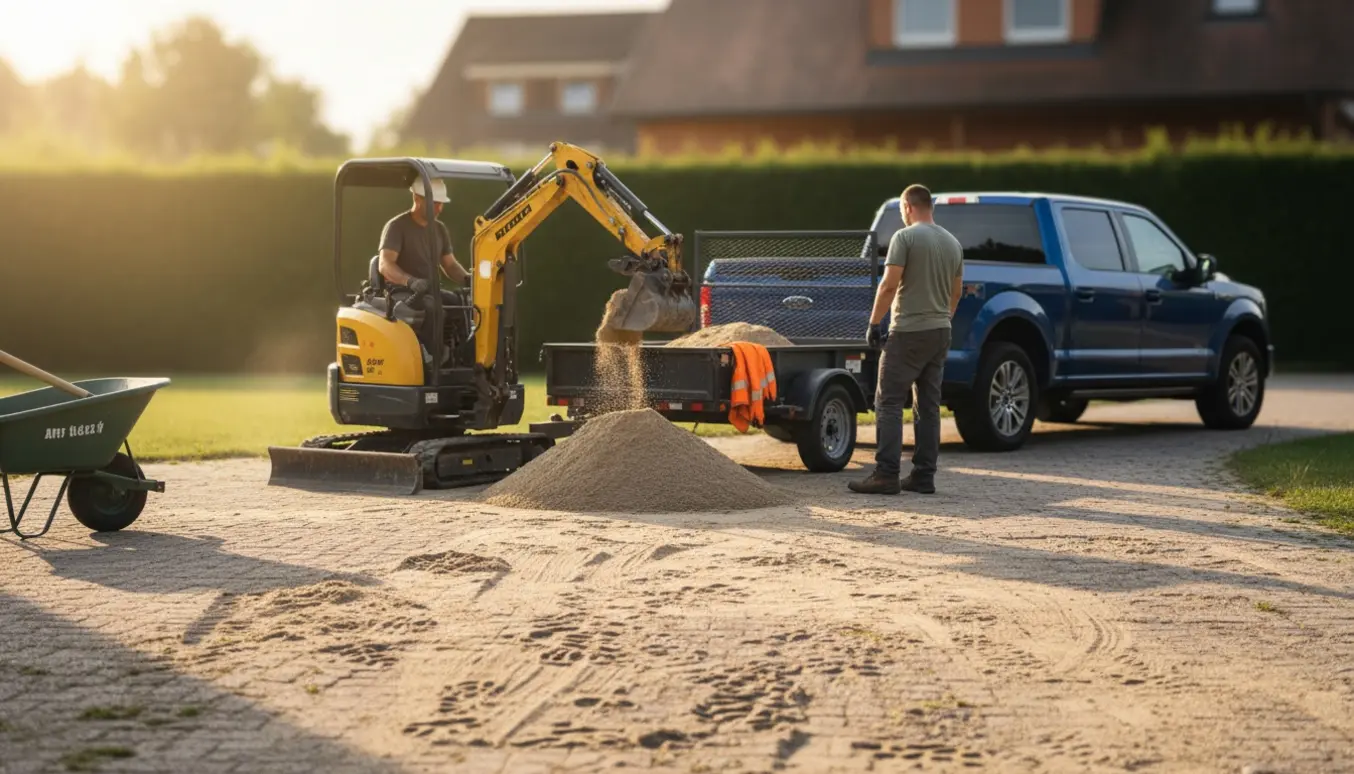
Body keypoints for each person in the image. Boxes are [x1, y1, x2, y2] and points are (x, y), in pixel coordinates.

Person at [850, 184, 964, 495]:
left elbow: (888, 285)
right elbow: (956, 293)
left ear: (907, 206)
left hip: (909, 331)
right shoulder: (953, 243)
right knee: (928, 405)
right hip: (941, 331)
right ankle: (923, 476)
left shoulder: (906, 237)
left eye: (902, 209)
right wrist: (941, 319)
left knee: (887, 400)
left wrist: (874, 324)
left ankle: (886, 474)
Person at [377, 177, 471, 364]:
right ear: (417, 198)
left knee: (462, 305)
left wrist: (469, 279)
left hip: (429, 289)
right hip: (401, 292)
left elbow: (450, 265)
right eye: (434, 203)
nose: (439, 208)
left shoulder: (439, 229)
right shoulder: (397, 227)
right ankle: (429, 360)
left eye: (441, 204)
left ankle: (460, 360)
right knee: (432, 307)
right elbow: (385, 265)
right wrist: (410, 281)